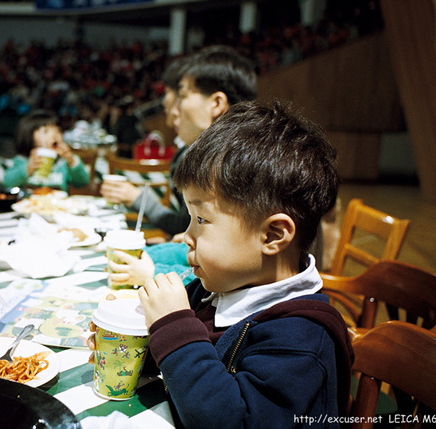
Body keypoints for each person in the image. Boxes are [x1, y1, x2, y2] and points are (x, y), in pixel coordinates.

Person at [136, 100, 354, 428]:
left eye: (201, 219)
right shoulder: (217, 287)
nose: (186, 236)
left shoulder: (302, 341)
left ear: (272, 235)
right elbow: (181, 366)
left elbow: (234, 421)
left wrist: (174, 328)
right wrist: (136, 345)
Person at [100, 45, 257, 237]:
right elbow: (191, 232)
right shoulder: (238, 152)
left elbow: (190, 231)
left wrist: (139, 199)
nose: (175, 111)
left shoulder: (227, 165)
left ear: (216, 104)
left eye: (182, 96)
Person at [0, 110, 90, 193]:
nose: (54, 135)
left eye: (58, 131)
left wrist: (71, 160)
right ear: (28, 136)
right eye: (45, 131)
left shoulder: (63, 164)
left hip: (57, 209)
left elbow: (82, 182)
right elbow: (2, 182)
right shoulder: (18, 162)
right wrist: (27, 169)